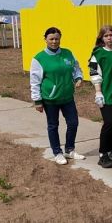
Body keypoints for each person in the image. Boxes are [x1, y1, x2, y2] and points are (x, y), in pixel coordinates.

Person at [30, 27, 85, 165]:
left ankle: (69, 149)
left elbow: (75, 67)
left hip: (67, 97)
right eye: (51, 39)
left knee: (73, 123)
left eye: (57, 39)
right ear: (46, 39)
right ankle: (57, 152)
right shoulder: (39, 58)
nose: (54, 41)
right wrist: (37, 101)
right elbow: (35, 81)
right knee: (53, 125)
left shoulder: (67, 53)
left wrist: (78, 77)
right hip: (50, 99)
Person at [88, 25, 112, 169]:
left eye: (111, 35)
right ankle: (103, 154)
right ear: (101, 38)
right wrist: (98, 92)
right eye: (106, 36)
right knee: (109, 122)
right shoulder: (97, 53)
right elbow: (93, 73)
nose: (109, 38)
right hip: (107, 94)